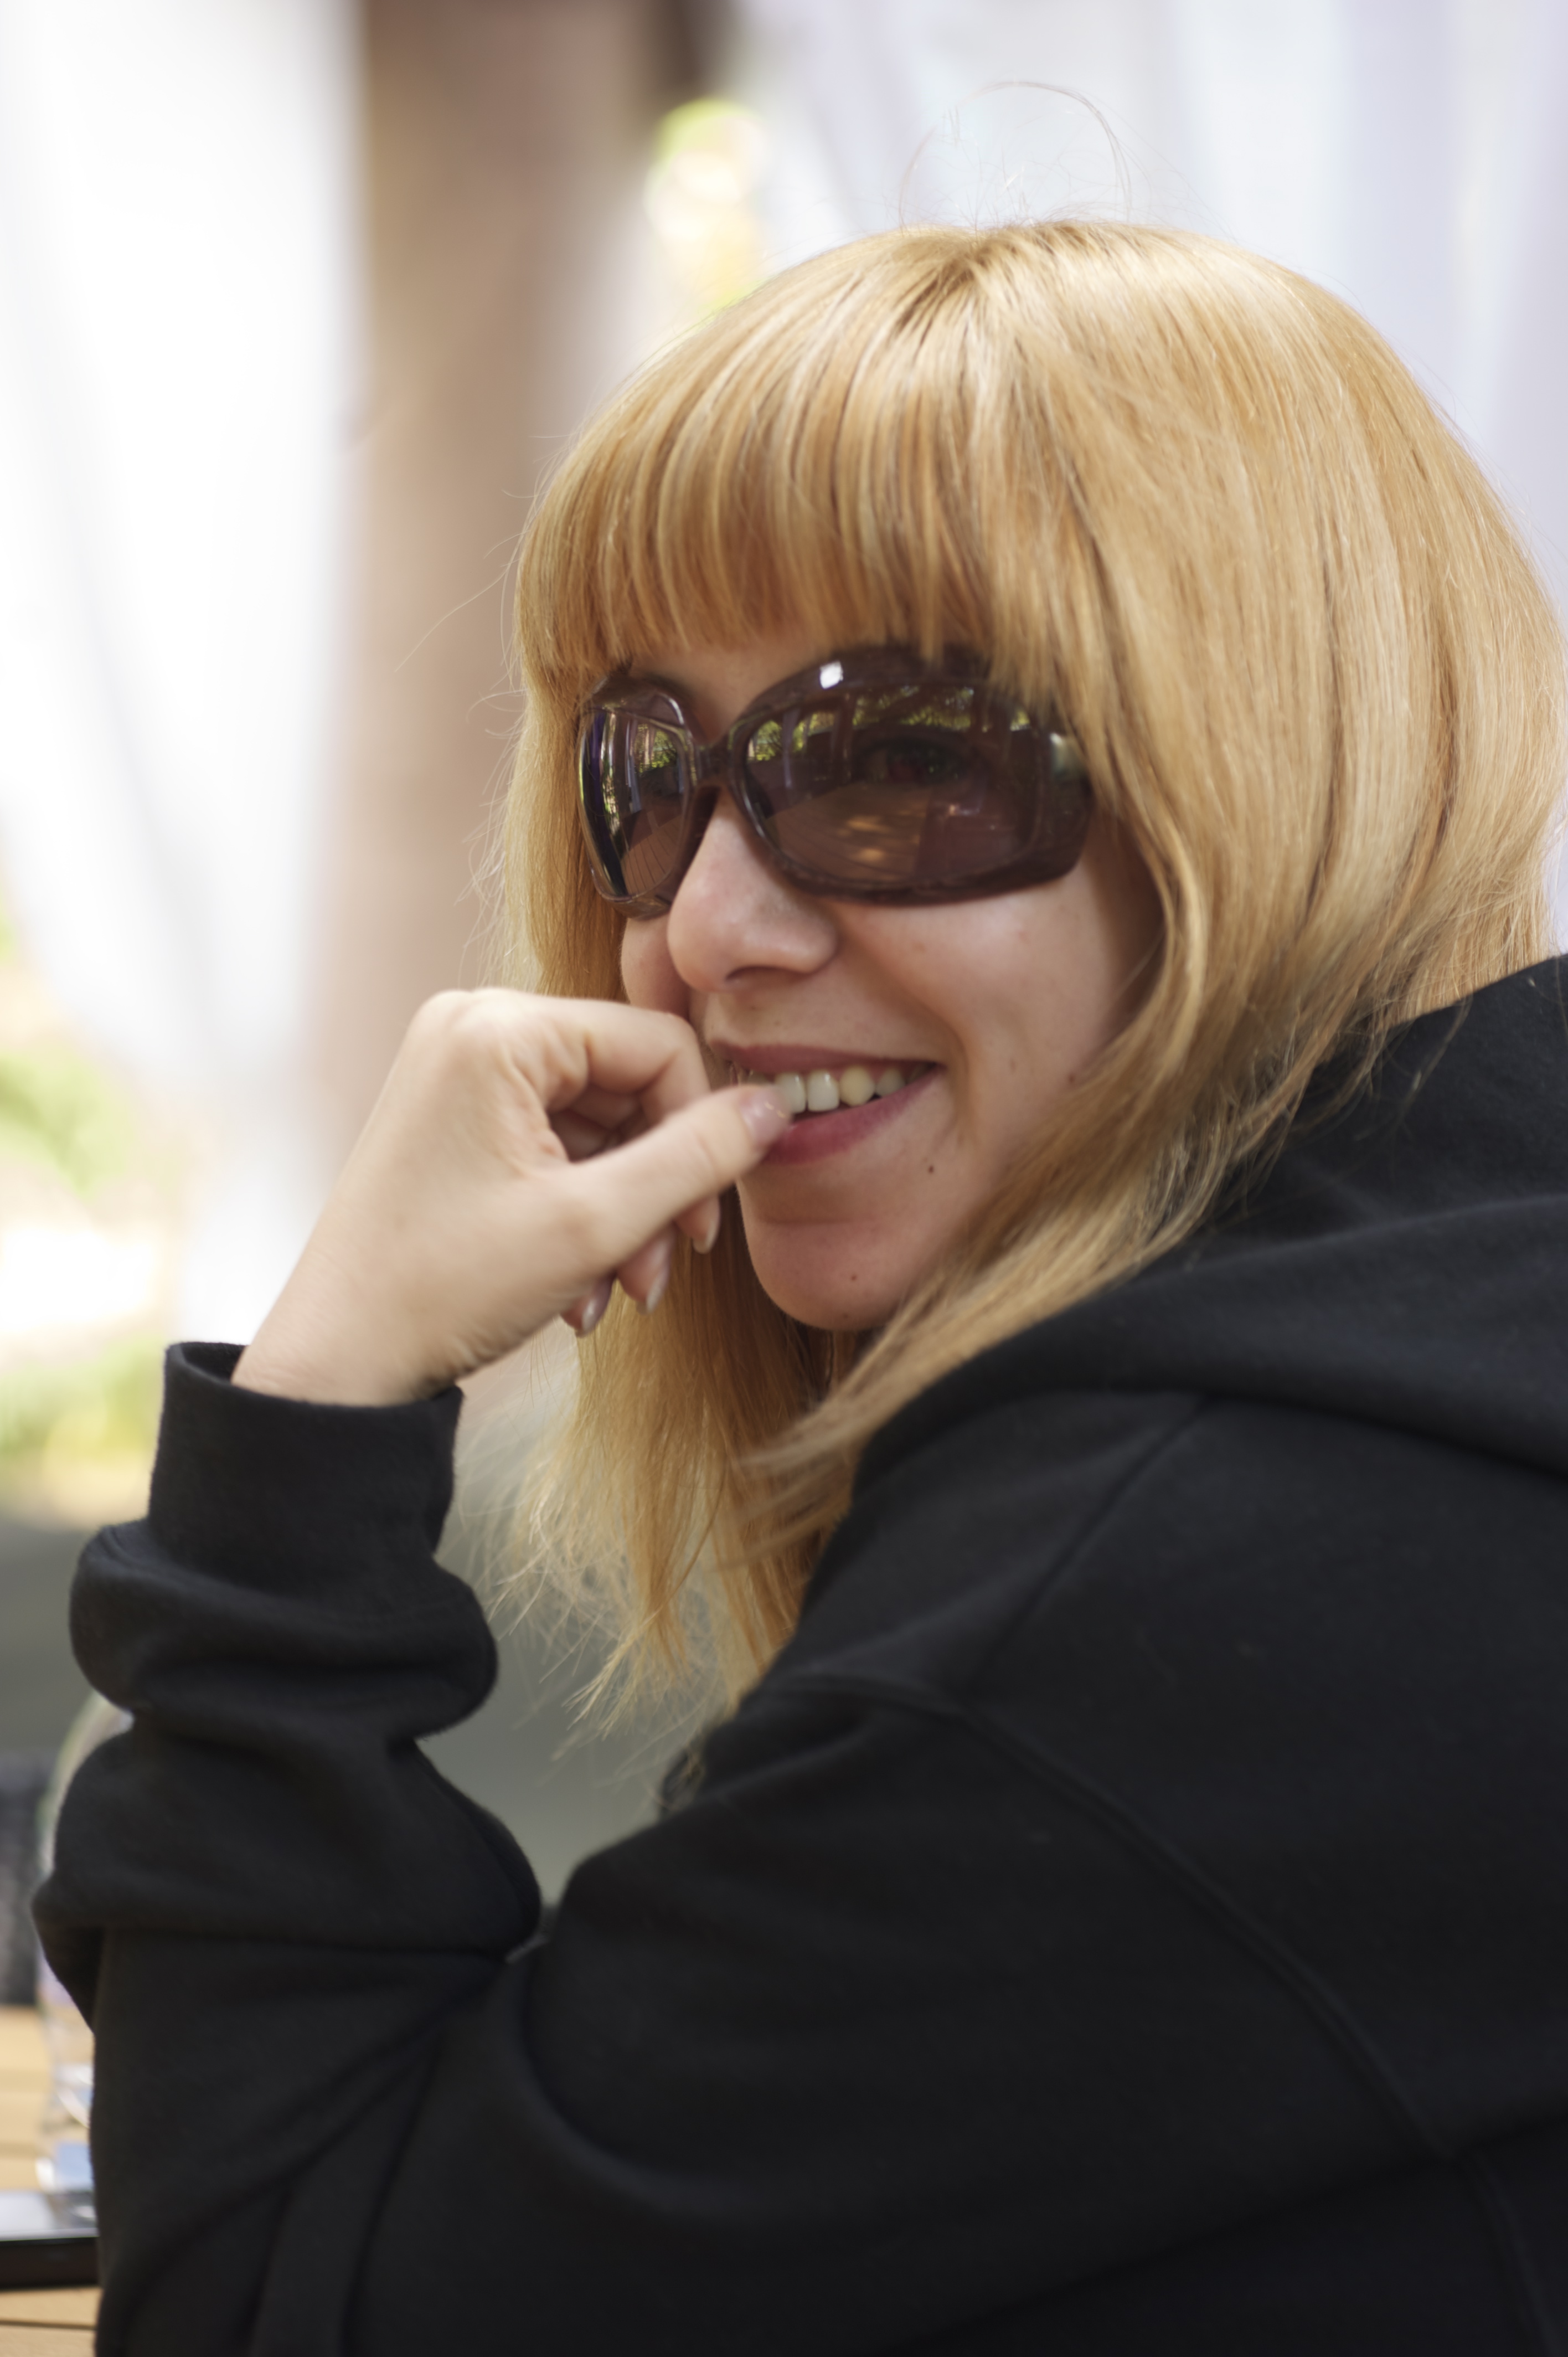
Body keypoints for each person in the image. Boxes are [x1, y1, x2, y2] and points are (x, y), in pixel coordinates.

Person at [36, 220, 1568, 2354]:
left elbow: (272, 2310)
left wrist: (315, 1413)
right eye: (653, 773)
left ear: (1263, 778)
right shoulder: (1434, 1363)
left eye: (895, 761)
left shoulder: (1193, 1580)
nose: (706, 928)